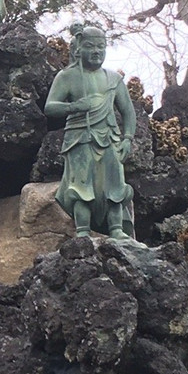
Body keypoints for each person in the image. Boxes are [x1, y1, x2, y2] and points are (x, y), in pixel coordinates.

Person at [44, 26, 137, 239]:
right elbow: (50, 107)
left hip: (110, 137)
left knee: (114, 185)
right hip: (80, 137)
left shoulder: (114, 79)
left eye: (101, 47)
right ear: (79, 49)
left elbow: (128, 113)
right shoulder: (67, 76)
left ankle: (116, 229)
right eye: (90, 46)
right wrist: (74, 107)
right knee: (81, 186)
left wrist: (128, 139)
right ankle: (82, 231)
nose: (96, 51)